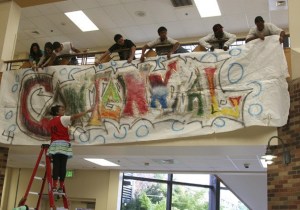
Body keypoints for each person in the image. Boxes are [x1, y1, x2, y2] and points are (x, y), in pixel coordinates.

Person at [47, 105, 93, 193]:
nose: (63, 111)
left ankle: (54, 186)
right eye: (61, 110)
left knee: (56, 166)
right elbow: (74, 117)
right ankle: (60, 186)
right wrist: (87, 111)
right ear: (57, 112)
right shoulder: (63, 118)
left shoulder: (51, 121)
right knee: (63, 166)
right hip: (63, 144)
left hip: (54, 145)